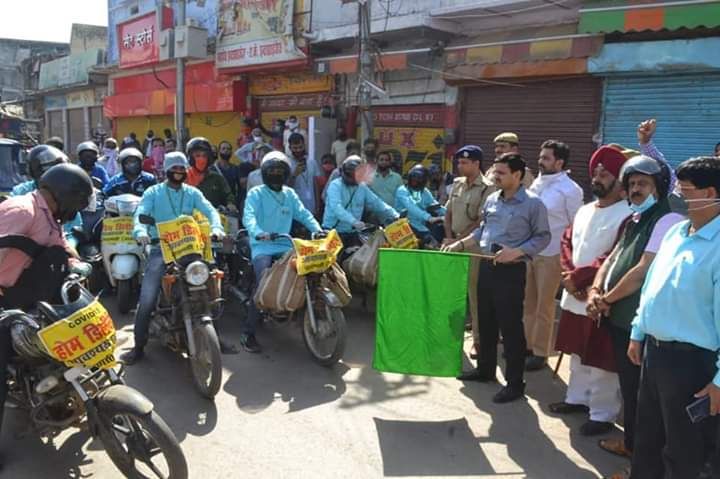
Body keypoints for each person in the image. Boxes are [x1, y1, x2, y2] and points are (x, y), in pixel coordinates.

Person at [587, 152, 684, 461]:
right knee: (631, 388)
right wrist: (595, 289)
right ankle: (633, 444)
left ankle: (641, 452)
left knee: (642, 394)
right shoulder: (635, 219)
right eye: (631, 184)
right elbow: (614, 257)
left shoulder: (666, 217)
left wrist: (606, 299)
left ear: (659, 187)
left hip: (639, 321)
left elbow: (642, 270)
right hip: (619, 316)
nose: (636, 189)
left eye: (643, 183)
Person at [628, 156, 720, 479]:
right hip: (655, 355)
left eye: (686, 189)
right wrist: (638, 331)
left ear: (710, 193)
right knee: (647, 439)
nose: (677, 194)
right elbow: (653, 286)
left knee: (686, 450)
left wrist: (719, 382)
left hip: (693, 365)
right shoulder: (676, 232)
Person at [0, 163, 93, 466]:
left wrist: (77, 262)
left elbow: (60, 243)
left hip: (29, 295)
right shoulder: (22, 210)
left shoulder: (48, 215)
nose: (75, 210)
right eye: (77, 202)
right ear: (64, 195)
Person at [446, 152, 550, 404]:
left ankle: (515, 383)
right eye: (495, 172)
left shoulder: (533, 204)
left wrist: (518, 251)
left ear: (518, 175)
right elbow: (483, 229)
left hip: (511, 271)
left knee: (511, 327)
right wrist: (460, 244)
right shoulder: (493, 199)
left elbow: (543, 236)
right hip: (486, 265)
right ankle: (485, 370)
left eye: (502, 173)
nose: (496, 176)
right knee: (486, 320)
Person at [551, 146, 632, 437]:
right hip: (575, 295)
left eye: (606, 173)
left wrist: (582, 280)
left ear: (620, 180)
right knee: (576, 352)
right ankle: (576, 398)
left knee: (601, 360)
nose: (598, 177)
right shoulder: (585, 209)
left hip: (600, 296)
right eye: (595, 172)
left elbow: (613, 255)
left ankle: (602, 413)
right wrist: (569, 276)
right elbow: (567, 242)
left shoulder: (628, 215)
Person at [120, 152, 226, 365]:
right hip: (161, 247)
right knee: (148, 298)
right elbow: (141, 212)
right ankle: (139, 345)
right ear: (166, 171)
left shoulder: (193, 192)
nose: (178, 172)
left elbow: (210, 211)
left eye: (181, 168)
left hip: (189, 246)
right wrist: (140, 231)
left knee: (211, 282)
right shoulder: (153, 192)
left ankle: (215, 337)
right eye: (174, 168)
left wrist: (216, 227)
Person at [242, 151, 323, 353]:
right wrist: (258, 233)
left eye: (280, 170)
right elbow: (249, 217)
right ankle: (248, 333)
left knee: (306, 274)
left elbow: (303, 213)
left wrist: (317, 229)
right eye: (273, 170)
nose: (276, 174)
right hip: (262, 245)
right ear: (265, 173)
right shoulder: (256, 193)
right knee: (264, 284)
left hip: (286, 244)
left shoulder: (289, 194)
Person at [523, 140, 583, 371]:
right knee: (527, 302)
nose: (541, 161)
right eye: (541, 156)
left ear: (560, 162)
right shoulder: (537, 182)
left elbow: (575, 225)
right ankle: (526, 346)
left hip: (552, 253)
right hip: (528, 250)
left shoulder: (570, 189)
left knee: (544, 306)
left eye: (546, 158)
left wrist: (571, 259)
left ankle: (540, 352)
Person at [442, 145, 496, 360]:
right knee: (451, 291)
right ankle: (450, 334)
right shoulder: (457, 184)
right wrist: (448, 236)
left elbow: (481, 221)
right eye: (459, 162)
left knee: (474, 295)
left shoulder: (488, 188)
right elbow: (447, 212)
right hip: (452, 243)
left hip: (473, 247)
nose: (460, 166)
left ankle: (477, 341)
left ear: (476, 164)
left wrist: (459, 239)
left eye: (465, 162)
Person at [11, 145, 83, 248]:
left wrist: (68, 248)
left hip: (60, 247)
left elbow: (73, 230)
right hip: (27, 248)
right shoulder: (21, 192)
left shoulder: (68, 192)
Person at [322, 156, 399, 247]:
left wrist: (395, 214)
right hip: (333, 231)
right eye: (349, 175)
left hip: (352, 233)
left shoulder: (361, 187)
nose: (351, 179)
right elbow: (337, 208)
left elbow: (377, 202)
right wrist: (354, 221)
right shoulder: (335, 185)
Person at [395, 164, 446, 244]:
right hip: (404, 227)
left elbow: (435, 206)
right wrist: (429, 218)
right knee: (430, 241)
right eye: (413, 177)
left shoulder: (424, 192)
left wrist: (448, 215)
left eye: (419, 178)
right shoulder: (402, 190)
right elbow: (411, 207)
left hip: (421, 227)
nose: (415, 180)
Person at [185, 137, 237, 212]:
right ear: (191, 159)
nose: (201, 159)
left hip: (214, 218)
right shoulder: (184, 177)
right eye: (197, 156)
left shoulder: (217, 178)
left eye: (204, 156)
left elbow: (228, 195)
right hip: (188, 220)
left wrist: (230, 204)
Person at [287, 133, 322, 217]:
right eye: (295, 148)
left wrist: (317, 205)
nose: (298, 150)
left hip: (311, 206)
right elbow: (285, 188)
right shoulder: (286, 163)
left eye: (300, 147)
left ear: (304, 146)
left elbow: (315, 184)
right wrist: (294, 175)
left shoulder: (312, 162)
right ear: (290, 148)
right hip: (294, 208)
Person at [315, 153, 336, 218]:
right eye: (325, 163)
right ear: (321, 165)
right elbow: (317, 195)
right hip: (322, 209)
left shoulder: (338, 179)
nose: (328, 165)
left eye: (330, 163)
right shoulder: (319, 179)